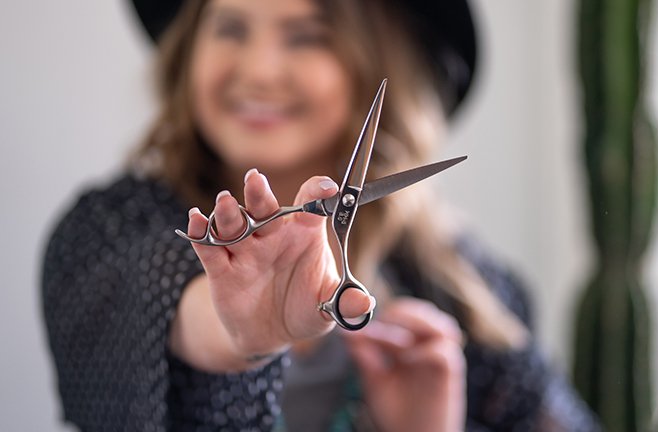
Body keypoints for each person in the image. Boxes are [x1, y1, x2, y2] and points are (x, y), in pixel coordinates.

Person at [42, 0, 600, 430]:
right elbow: (157, 298)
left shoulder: (465, 287)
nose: (260, 70)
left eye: (307, 36)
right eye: (231, 28)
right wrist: (239, 331)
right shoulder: (108, 231)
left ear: (377, 64)